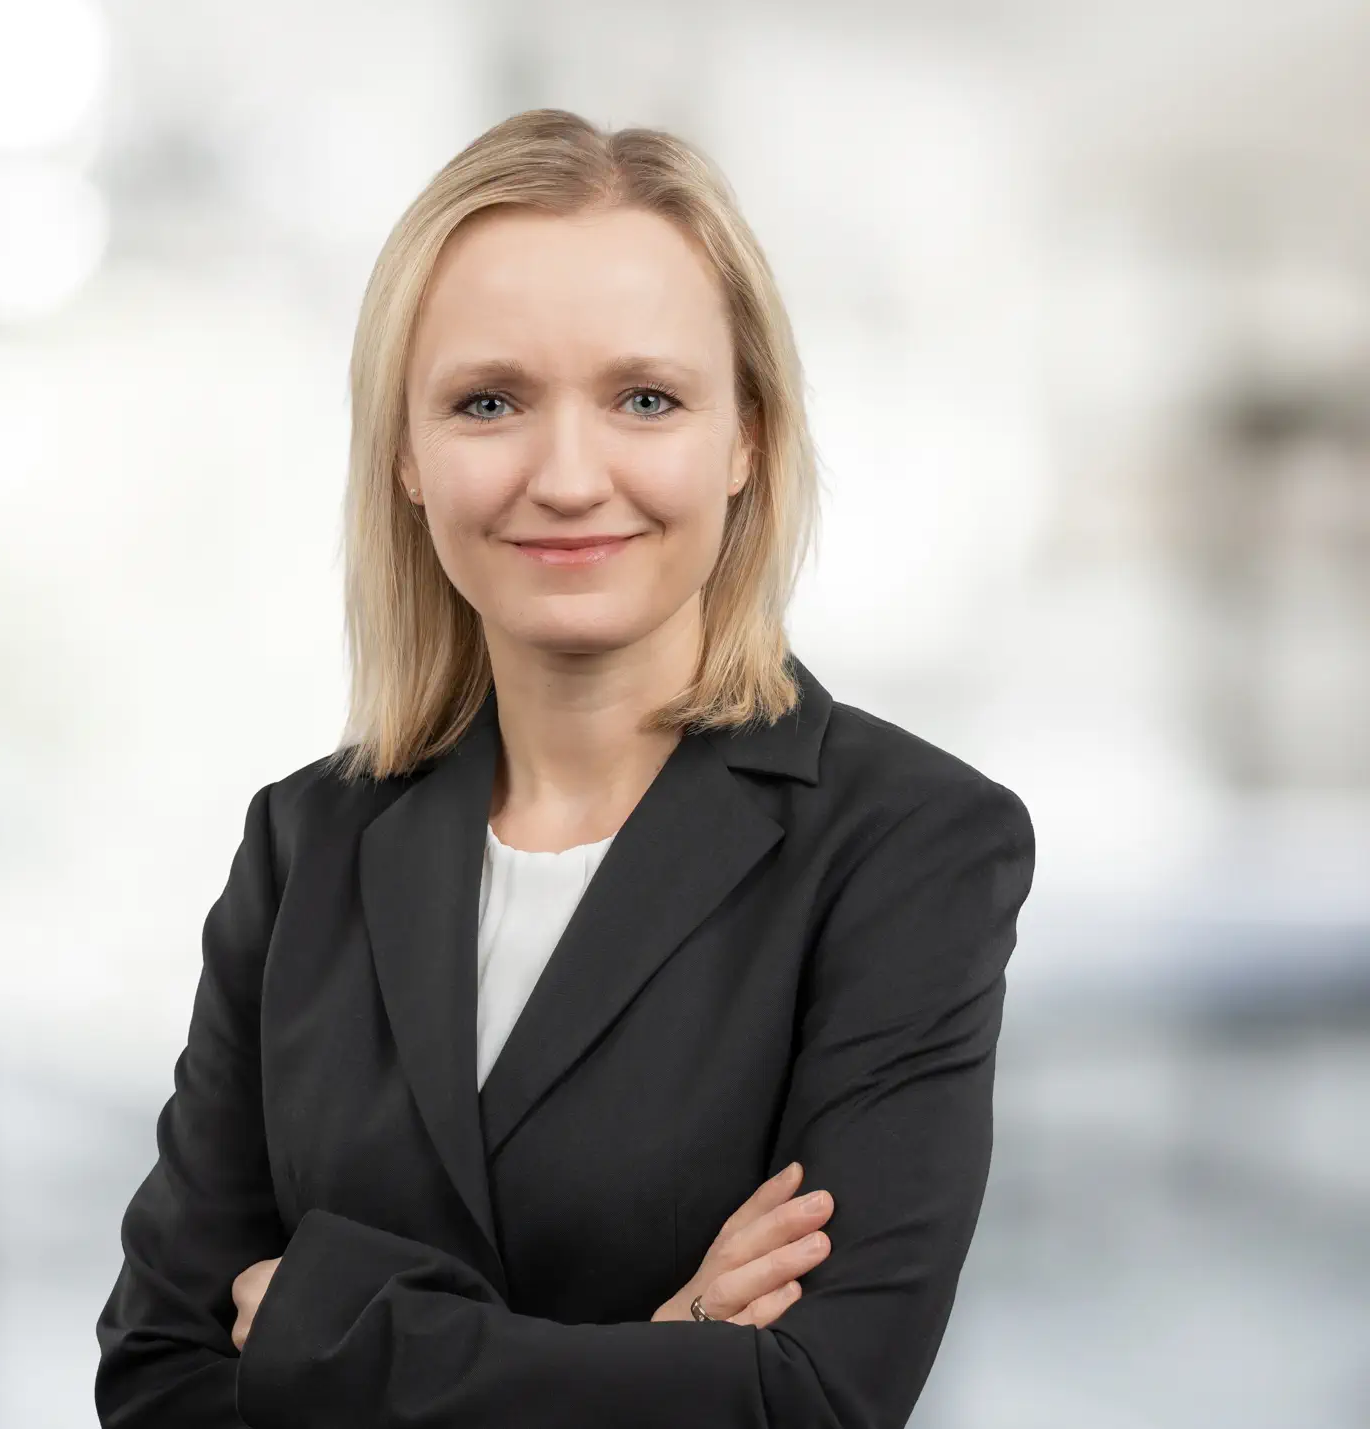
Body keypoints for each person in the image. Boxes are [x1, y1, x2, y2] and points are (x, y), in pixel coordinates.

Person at [93, 107, 1037, 1429]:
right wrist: (666, 1352)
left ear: (748, 438)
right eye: (489, 403)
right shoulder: (304, 845)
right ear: (406, 456)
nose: (569, 477)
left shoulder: (910, 845)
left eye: (646, 399)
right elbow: (158, 1381)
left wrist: (333, 1336)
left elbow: (811, 1402)